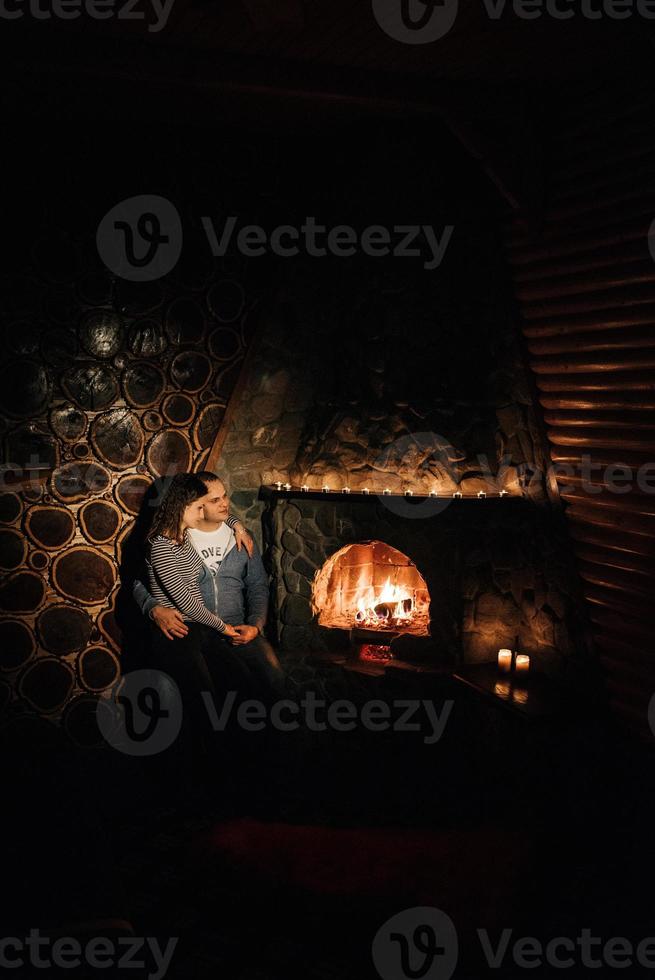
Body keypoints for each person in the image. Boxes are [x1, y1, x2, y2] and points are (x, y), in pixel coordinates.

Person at [134, 470, 285, 699]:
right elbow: (139, 580)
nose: (225, 504)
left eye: (224, 496)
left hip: (237, 628)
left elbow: (258, 586)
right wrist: (152, 607)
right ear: (194, 505)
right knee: (210, 694)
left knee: (274, 682)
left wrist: (255, 625)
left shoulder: (242, 536)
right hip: (196, 629)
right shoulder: (182, 536)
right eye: (214, 500)